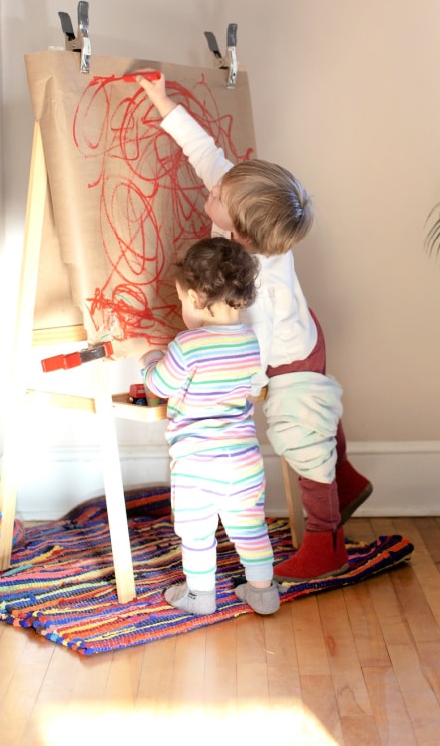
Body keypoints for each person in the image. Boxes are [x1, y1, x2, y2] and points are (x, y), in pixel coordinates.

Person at [137, 73, 373, 582]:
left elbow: (252, 345)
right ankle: (348, 478)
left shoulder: (256, 281)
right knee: (320, 414)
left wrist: (242, 391)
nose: (214, 186)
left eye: (219, 193)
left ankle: (325, 543)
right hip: (303, 332)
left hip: (285, 355)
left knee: (299, 435)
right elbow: (208, 156)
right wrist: (164, 103)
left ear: (240, 233)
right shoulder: (241, 210)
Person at [140, 236, 280, 616]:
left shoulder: (187, 345)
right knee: (250, 527)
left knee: (197, 532)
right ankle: (263, 592)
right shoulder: (250, 342)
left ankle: (200, 597)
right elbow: (247, 387)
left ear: (198, 296)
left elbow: (160, 385)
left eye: (182, 300)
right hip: (244, 461)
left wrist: (151, 357)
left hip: (197, 463)